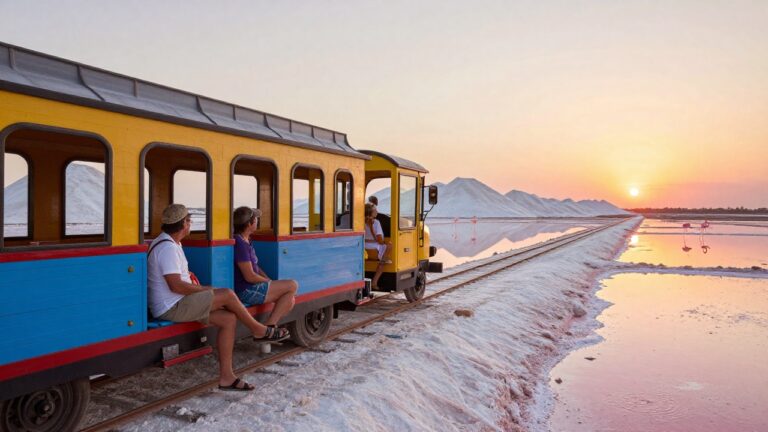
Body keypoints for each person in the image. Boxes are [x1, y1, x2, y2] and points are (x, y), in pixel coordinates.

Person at [147, 204, 287, 392]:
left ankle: (227, 378)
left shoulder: (172, 243)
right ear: (183, 224)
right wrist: (206, 290)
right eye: (189, 221)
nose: (190, 224)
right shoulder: (167, 249)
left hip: (179, 302)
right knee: (227, 295)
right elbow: (176, 285)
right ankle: (258, 329)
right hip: (172, 305)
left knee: (228, 319)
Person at [232, 206, 298, 329]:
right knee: (292, 285)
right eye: (255, 219)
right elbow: (250, 276)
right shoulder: (240, 244)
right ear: (249, 224)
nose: (257, 221)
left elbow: (255, 266)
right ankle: (269, 326)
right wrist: (269, 282)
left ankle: (269, 327)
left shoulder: (246, 240)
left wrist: (268, 280)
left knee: (290, 298)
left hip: (252, 287)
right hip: (246, 290)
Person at [364, 202, 392, 289]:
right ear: (371, 212)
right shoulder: (376, 222)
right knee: (389, 246)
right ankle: (374, 281)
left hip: (363, 247)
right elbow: (379, 240)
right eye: (375, 210)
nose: (377, 211)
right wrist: (385, 242)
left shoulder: (361, 220)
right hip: (374, 248)